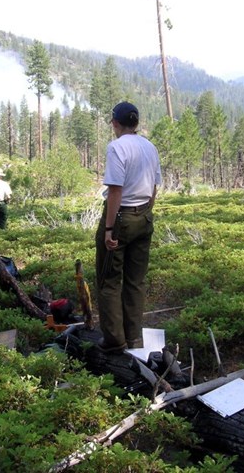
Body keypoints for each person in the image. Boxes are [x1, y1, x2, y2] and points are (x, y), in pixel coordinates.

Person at [95, 102, 162, 353]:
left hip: (121, 218)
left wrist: (110, 229)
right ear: (135, 123)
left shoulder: (116, 147)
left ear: (115, 122)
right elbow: (154, 186)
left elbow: (115, 189)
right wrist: (147, 213)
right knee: (135, 281)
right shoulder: (149, 147)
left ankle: (114, 340)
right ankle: (133, 338)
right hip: (144, 216)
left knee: (109, 280)